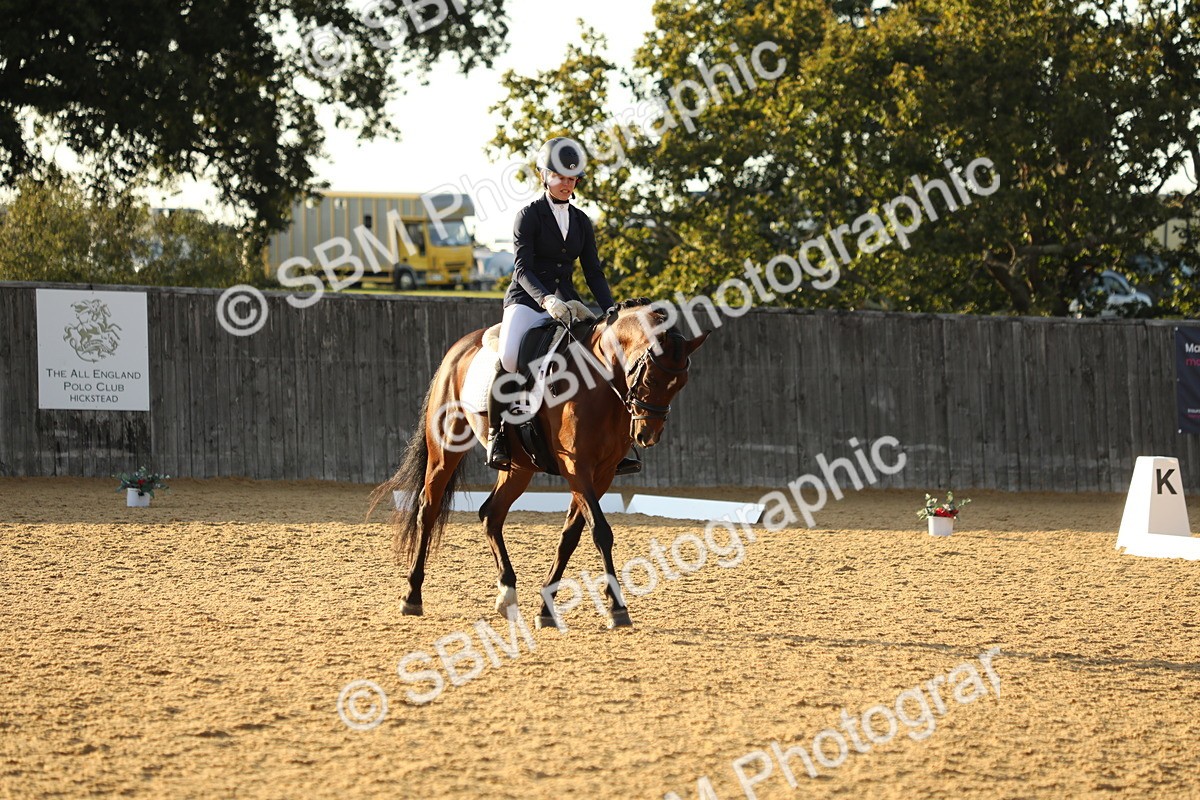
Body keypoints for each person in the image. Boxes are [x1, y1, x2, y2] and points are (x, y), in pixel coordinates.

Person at [485, 136, 637, 475]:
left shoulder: (581, 221)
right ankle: (498, 436)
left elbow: (593, 272)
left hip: (569, 301)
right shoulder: (528, 216)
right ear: (545, 176)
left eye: (572, 179)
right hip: (527, 300)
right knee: (509, 357)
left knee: (600, 357)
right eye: (560, 177)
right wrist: (545, 299)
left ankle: (616, 446)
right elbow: (521, 268)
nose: (567, 184)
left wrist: (611, 311)